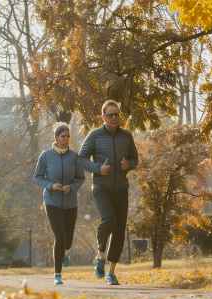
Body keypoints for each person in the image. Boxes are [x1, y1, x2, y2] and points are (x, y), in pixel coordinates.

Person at [79, 100, 138, 285]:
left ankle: (111, 273)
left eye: (116, 114)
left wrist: (129, 164)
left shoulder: (126, 136)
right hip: (101, 187)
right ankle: (100, 254)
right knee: (109, 220)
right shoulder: (95, 135)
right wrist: (97, 168)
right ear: (103, 116)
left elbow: (135, 159)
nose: (114, 118)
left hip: (121, 188)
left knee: (120, 230)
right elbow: (80, 159)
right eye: (110, 115)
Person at [33, 122, 85, 285]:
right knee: (59, 236)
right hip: (52, 201)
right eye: (63, 136)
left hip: (70, 203)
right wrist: (51, 185)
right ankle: (57, 274)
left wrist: (72, 187)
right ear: (56, 137)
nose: (66, 139)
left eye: (68, 136)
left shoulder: (74, 157)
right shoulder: (46, 156)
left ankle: (63, 252)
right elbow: (37, 177)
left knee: (67, 240)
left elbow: (81, 178)